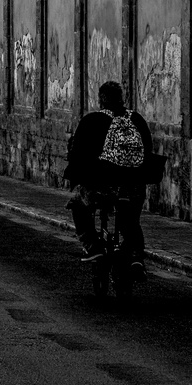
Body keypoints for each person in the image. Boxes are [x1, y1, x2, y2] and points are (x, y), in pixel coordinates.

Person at [63, 80, 153, 278]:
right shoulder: (137, 120)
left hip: (101, 189)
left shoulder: (91, 121)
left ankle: (93, 248)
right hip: (133, 188)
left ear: (100, 100)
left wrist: (75, 177)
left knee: (77, 204)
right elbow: (148, 154)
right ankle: (136, 257)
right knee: (131, 220)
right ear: (123, 99)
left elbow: (77, 155)